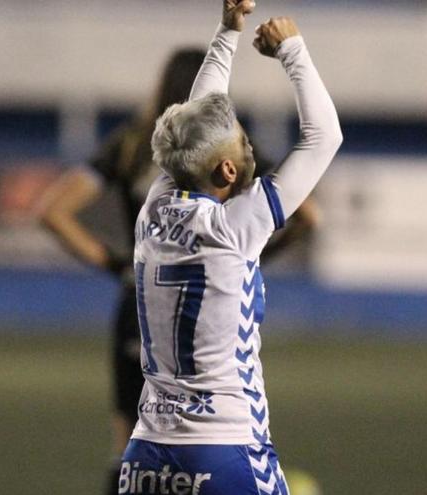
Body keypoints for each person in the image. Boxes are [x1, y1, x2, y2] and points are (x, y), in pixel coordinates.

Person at [39, 27, 319, 495]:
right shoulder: (227, 148)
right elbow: (309, 207)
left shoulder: (135, 150)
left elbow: (52, 209)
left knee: (126, 434)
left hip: (142, 306)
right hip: (220, 409)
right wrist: (246, 257)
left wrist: (115, 263)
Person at [118, 0, 342, 493]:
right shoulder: (237, 225)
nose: (251, 148)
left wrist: (227, 32)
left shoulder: (153, 205)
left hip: (145, 457)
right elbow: (324, 136)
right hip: (224, 451)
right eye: (242, 140)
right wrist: (292, 50)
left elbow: (199, 117)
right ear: (225, 171)